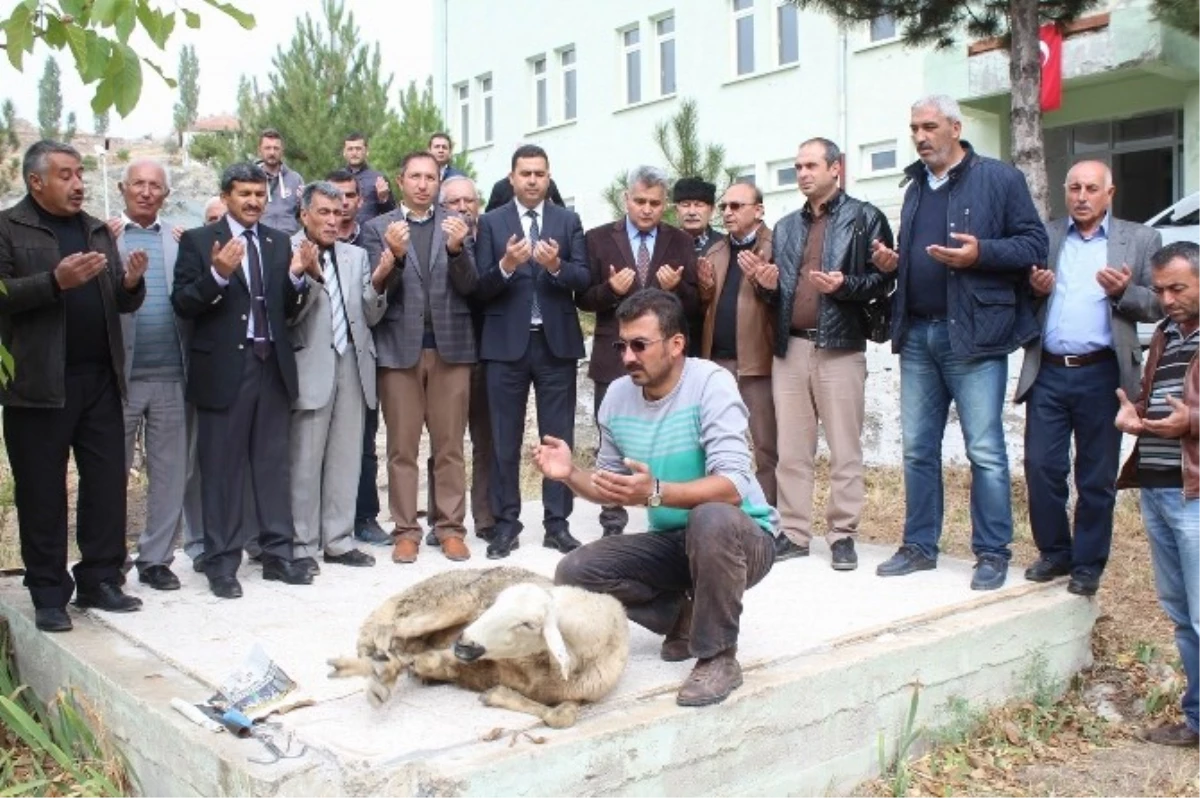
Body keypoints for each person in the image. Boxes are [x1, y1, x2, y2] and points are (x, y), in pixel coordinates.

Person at [545, 290, 776, 707]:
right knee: (575, 571)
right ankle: (683, 618)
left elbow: (733, 486)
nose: (628, 357)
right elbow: (613, 486)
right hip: (677, 543)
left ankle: (718, 656)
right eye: (622, 345)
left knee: (711, 517)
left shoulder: (711, 384)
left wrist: (656, 492)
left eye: (639, 345)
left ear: (675, 345)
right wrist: (570, 475)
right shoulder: (616, 396)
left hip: (744, 539)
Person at [870, 94, 1048, 590]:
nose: (921, 136)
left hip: (975, 335)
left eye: (929, 126)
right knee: (917, 450)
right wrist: (895, 262)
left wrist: (981, 254)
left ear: (955, 126)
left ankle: (992, 553)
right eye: (914, 128)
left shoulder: (999, 178)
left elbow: (1034, 245)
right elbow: (920, 255)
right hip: (920, 332)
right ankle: (919, 546)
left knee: (986, 449)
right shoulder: (914, 187)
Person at [0, 140, 147, 632]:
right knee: (42, 493)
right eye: (65, 174)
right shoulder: (8, 227)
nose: (79, 182)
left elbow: (119, 306)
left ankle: (101, 579)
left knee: (106, 485)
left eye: (80, 172)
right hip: (37, 386)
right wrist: (53, 282)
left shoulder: (95, 230)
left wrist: (130, 285)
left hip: (99, 379)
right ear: (35, 181)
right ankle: (47, 592)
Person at [1017, 160, 1161, 596]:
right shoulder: (1047, 235)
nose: (1081, 196)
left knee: (1096, 477)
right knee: (1041, 467)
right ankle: (1055, 552)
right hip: (1049, 371)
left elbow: (1159, 304)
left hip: (1103, 374)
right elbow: (1019, 298)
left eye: (1091, 188)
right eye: (1075, 187)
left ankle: (1087, 564)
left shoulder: (1138, 239)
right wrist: (1034, 290)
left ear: (1109, 193)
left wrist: (1124, 292)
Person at [171, 162, 314, 599]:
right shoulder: (200, 241)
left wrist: (295, 276)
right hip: (225, 372)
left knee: (272, 467)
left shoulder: (276, 243)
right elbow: (183, 303)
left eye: (259, 194)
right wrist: (217, 275)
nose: (253, 201)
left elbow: (285, 310)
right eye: (244, 194)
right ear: (227, 196)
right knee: (222, 471)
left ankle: (277, 556)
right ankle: (222, 563)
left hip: (271, 365)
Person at [759, 138, 894, 570]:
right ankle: (795, 532)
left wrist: (845, 286)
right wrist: (765, 285)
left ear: (836, 168)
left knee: (844, 447)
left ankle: (842, 535)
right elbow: (780, 294)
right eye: (797, 166)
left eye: (811, 165)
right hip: (791, 348)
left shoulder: (865, 217)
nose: (802, 173)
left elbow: (885, 281)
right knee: (792, 449)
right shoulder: (784, 228)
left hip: (840, 347)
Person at [361, 152, 478, 564]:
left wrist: (457, 249)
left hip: (451, 348)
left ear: (439, 181)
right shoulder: (378, 228)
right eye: (415, 176)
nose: (423, 184)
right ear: (401, 180)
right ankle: (406, 530)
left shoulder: (457, 224)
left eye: (431, 176)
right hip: (399, 351)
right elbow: (377, 291)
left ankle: (449, 529)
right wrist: (392, 256)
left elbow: (471, 287)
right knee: (401, 447)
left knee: (449, 447)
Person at [474, 144, 589, 559]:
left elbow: (584, 276)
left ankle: (557, 524)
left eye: (540, 173)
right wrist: (506, 264)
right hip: (505, 346)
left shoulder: (567, 219)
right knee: (504, 439)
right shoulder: (490, 223)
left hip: (554, 344)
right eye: (525, 173)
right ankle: (506, 525)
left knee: (557, 437)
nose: (533, 180)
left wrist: (557, 266)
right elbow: (479, 287)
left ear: (548, 175)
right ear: (512, 178)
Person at [578, 165, 699, 536]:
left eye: (655, 203)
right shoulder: (597, 239)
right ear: (625, 199)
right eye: (640, 201)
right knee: (610, 441)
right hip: (612, 355)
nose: (647, 209)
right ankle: (612, 520)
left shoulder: (679, 241)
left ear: (665, 205)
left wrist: (676, 288)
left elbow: (695, 306)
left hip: (663, 361)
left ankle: (667, 514)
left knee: (670, 437)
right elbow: (582, 298)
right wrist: (611, 290)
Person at [1114, 241, 1200, 747]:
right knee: (1181, 615)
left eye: (1178, 288)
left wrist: (1193, 421)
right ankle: (1196, 721)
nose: (1166, 300)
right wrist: (1136, 418)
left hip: (1195, 495)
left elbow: (1188, 414)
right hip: (1159, 489)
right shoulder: (1167, 334)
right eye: (1161, 289)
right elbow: (1159, 404)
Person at [288, 182, 390, 574]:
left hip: (353, 363)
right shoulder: (287, 250)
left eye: (338, 212)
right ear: (304, 214)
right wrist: (309, 277)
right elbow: (287, 314)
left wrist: (380, 278)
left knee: (346, 460)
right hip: (309, 365)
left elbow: (371, 313)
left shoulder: (356, 256)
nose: (333, 220)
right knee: (305, 462)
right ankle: (301, 545)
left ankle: (338, 540)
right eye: (324, 213)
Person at [112, 159, 190, 591]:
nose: (146, 192)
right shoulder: (104, 237)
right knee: (111, 473)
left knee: (169, 471)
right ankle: (109, 557)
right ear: (123, 188)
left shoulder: (178, 240)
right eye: (138, 184)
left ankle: (157, 558)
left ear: (165, 194)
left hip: (171, 375)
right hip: (120, 377)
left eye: (154, 186)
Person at [424, 175, 496, 547]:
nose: (463, 208)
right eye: (454, 202)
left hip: (486, 351)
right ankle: (440, 518)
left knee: (485, 439)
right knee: (444, 439)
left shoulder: (490, 236)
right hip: (446, 351)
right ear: (441, 205)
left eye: (469, 200)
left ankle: (485, 517)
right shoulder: (430, 237)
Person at [696, 181, 778, 505]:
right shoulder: (714, 251)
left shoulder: (776, 245)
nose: (727, 213)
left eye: (736, 206)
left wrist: (763, 282)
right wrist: (703, 289)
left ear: (758, 210)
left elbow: (784, 301)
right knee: (715, 442)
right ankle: (720, 514)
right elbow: (705, 308)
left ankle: (767, 515)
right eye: (725, 206)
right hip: (717, 363)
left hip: (758, 362)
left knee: (765, 445)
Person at [673, 177, 719, 356]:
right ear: (676, 210)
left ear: (712, 210)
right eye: (685, 204)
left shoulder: (725, 245)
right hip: (673, 335)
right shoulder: (664, 243)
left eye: (699, 205)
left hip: (713, 339)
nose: (691, 212)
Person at [255, 129, 304, 235]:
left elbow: (303, 214)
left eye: (276, 148)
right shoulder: (251, 179)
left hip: (289, 239)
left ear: (282, 151)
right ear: (259, 150)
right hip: (261, 238)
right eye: (267, 148)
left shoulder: (295, 179)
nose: (272, 152)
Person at [342, 132, 395, 224]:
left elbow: (392, 214)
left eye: (358, 149)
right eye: (350, 149)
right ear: (344, 153)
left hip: (369, 234)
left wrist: (384, 199)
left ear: (366, 152)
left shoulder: (379, 179)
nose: (354, 153)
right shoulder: (336, 179)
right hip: (341, 234)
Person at [326, 168, 366, 246]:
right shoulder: (313, 241)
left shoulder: (372, 238)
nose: (344, 202)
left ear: (360, 201)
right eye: (337, 196)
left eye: (350, 196)